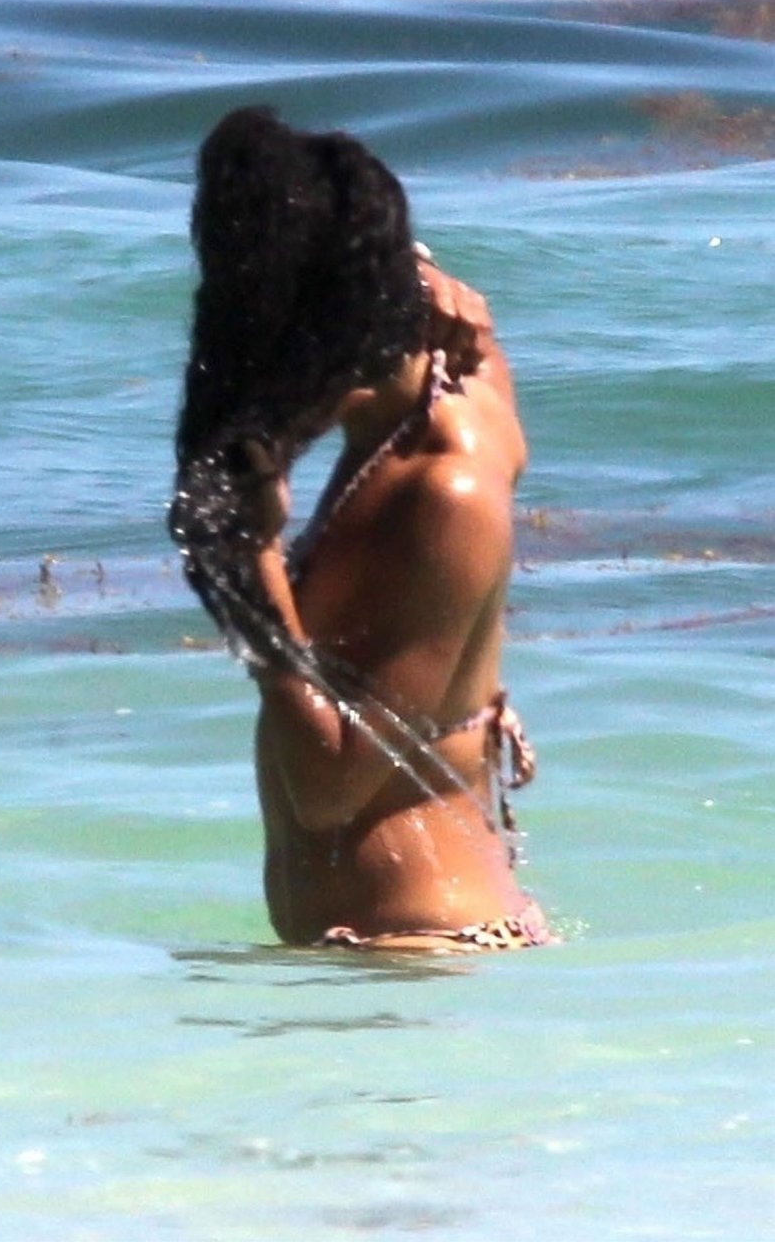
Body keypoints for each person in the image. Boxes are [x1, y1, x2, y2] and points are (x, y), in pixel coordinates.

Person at [171, 107, 555, 952]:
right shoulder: (461, 380)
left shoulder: (443, 494)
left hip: (415, 953)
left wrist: (253, 564)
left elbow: (331, 787)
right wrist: (425, 275)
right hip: (386, 957)